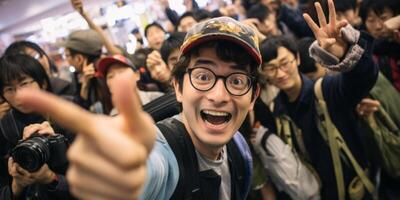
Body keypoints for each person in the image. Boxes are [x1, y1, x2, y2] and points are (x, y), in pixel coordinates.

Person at [16, 16, 261, 200]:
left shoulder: (239, 149)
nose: (218, 96)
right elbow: (147, 168)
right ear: (177, 86)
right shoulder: (161, 153)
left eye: (237, 80)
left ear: (253, 97)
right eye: (203, 76)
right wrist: (116, 178)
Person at [256, 0, 379, 199]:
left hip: (353, 190)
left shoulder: (324, 90)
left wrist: (345, 52)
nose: (279, 73)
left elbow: (363, 79)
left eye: (284, 63)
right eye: (271, 68)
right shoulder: (276, 110)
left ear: (296, 59)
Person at [0, 54, 73, 200]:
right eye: (9, 89)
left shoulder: (69, 115)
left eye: (24, 84)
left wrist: (51, 178)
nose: (19, 95)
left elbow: (96, 185)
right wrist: (16, 187)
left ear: (43, 83)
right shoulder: (4, 129)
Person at [97, 54, 164, 115]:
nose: (117, 78)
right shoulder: (114, 116)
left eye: (121, 71)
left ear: (137, 75)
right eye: (110, 76)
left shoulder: (159, 99)